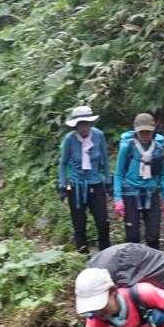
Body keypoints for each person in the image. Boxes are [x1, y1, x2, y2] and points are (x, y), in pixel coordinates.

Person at [57, 104, 111, 252]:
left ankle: (105, 254)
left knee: (102, 222)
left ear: (91, 123)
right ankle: (82, 255)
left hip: (96, 183)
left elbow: (105, 160)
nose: (84, 127)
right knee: (79, 224)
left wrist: (108, 181)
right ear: (76, 126)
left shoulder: (99, 135)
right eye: (81, 124)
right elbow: (63, 163)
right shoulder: (69, 139)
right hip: (76, 186)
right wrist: (62, 185)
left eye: (86, 123)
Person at [113, 112, 164, 249]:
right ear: (136, 131)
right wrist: (118, 199)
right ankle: (134, 260)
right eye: (141, 132)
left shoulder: (158, 149)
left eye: (148, 132)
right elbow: (118, 174)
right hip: (130, 194)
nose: (145, 135)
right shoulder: (127, 148)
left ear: (153, 131)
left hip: (151, 193)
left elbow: (163, 175)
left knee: (153, 235)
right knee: (132, 236)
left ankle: (153, 260)